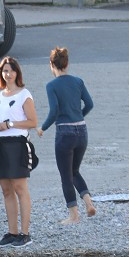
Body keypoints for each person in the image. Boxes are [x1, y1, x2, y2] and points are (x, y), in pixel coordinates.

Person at [38, 47, 96, 224]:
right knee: (74, 171)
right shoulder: (78, 81)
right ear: (67, 63)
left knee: (65, 175)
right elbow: (90, 104)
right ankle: (88, 203)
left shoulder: (51, 85)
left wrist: (43, 127)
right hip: (82, 131)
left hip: (65, 133)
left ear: (51, 64)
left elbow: (54, 111)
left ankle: (74, 216)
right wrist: (78, 116)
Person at [0, 56, 38, 248]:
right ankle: (12, 232)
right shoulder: (0, 96)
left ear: (17, 73)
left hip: (17, 144)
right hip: (0, 143)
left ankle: (25, 233)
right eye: (4, 71)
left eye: (10, 70)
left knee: (20, 188)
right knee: (6, 190)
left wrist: (9, 124)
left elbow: (32, 122)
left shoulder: (24, 95)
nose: (7, 74)